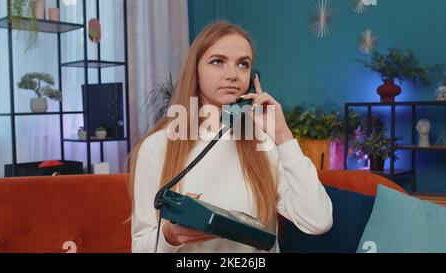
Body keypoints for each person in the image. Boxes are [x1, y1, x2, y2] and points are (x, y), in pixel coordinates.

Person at [129, 21, 333, 253]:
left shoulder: (264, 143)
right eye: (218, 61)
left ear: (252, 76)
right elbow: (141, 247)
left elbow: (318, 220)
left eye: (243, 64)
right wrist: (169, 236)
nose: (233, 75)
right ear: (195, 72)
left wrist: (282, 136)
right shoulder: (157, 147)